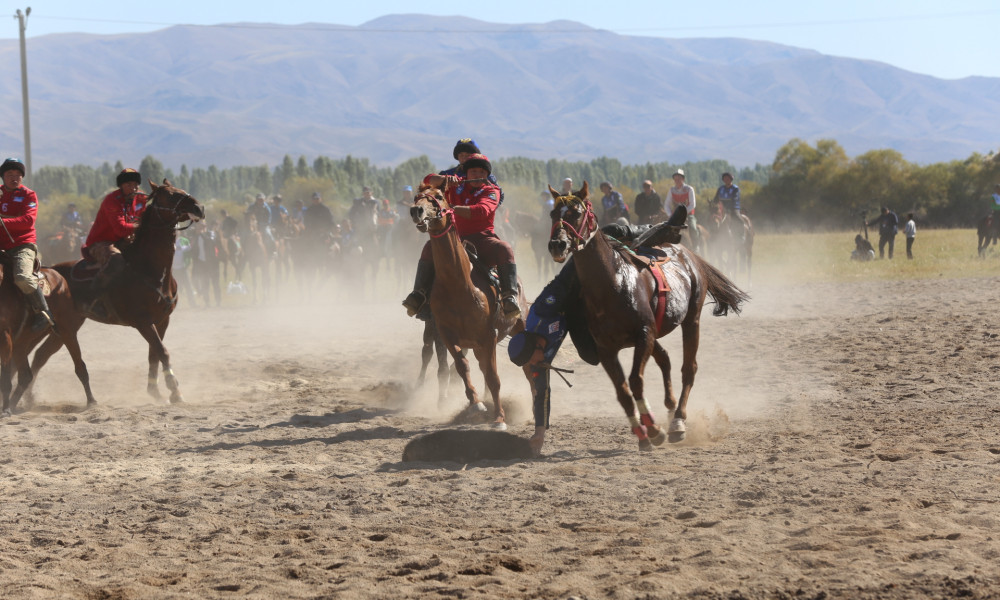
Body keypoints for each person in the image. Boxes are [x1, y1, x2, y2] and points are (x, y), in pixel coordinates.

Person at [507, 209, 689, 455]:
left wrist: (592, 282)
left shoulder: (544, 310)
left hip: (575, 284)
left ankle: (665, 229)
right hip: (579, 322)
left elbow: (563, 288)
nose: (535, 366)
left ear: (536, 346)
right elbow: (541, 392)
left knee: (609, 234)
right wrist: (539, 432)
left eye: (532, 362)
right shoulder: (538, 354)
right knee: (592, 356)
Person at [403, 153, 521, 318]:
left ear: (487, 175)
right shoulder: (454, 186)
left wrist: (451, 208)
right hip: (455, 238)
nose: (477, 175)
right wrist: (444, 180)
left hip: (482, 239)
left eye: (481, 172)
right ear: (466, 174)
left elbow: (482, 211)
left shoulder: (492, 190)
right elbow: (428, 180)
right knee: (429, 247)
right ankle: (418, 294)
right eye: (473, 172)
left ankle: (509, 297)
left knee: (505, 248)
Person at [81, 167, 149, 306]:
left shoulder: (142, 198)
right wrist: (141, 227)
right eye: (128, 185)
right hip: (101, 242)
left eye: (136, 184)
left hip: (126, 241)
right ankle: (94, 296)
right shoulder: (112, 200)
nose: (133, 188)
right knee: (116, 261)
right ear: (121, 186)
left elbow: (145, 219)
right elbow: (121, 229)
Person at [0, 157, 53, 331]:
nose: (14, 177)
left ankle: (43, 313)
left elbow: (28, 221)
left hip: (22, 245)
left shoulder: (29, 195)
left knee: (22, 278)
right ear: (3, 176)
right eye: (9, 174)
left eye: (18, 174)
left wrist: (3, 222)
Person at [440, 139, 504, 204]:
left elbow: (499, 195)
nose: (464, 158)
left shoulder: (487, 177)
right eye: (461, 155)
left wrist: (489, 206)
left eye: (467, 155)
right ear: (457, 156)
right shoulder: (447, 174)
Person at [665, 169, 699, 248]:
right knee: (665, 228)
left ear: (683, 179)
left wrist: (683, 213)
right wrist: (670, 215)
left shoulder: (689, 189)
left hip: (689, 215)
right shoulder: (672, 190)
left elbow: (692, 204)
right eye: (675, 179)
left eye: (679, 178)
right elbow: (666, 204)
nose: (677, 180)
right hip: (675, 216)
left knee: (693, 228)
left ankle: (696, 246)